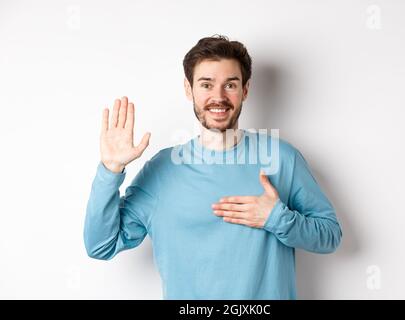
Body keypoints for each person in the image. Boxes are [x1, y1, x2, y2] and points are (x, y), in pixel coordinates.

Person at [83, 34, 342, 299]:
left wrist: (278, 219)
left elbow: (330, 235)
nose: (218, 97)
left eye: (230, 85)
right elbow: (100, 246)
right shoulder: (162, 170)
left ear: (245, 89)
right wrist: (110, 170)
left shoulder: (281, 158)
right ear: (189, 89)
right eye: (206, 85)